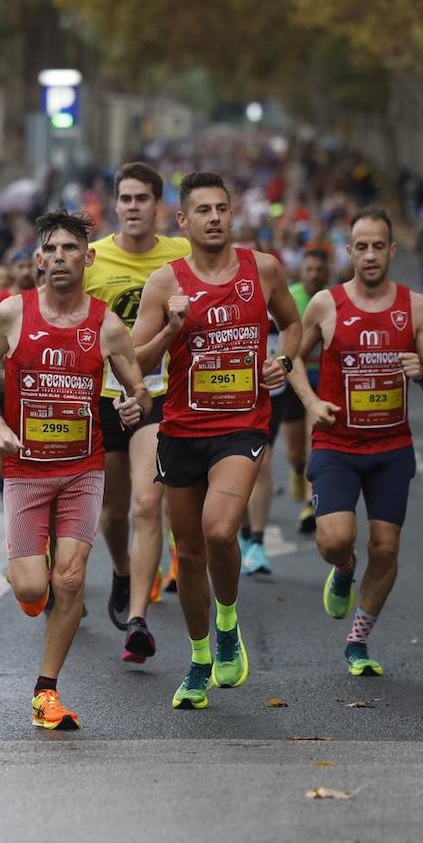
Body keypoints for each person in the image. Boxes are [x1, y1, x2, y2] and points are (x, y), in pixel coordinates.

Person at [0, 209, 150, 729]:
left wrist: (133, 404)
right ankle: (26, 575)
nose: (58, 258)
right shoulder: (13, 313)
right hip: (26, 471)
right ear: (37, 260)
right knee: (33, 589)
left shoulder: (108, 324)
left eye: (69, 249)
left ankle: (45, 692)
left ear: (88, 258)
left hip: (82, 469)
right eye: (49, 250)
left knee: (69, 579)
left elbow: (137, 384)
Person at [132, 171, 301, 708]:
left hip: (242, 425)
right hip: (182, 429)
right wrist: (172, 327)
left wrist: (284, 360)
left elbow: (293, 326)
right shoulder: (165, 282)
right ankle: (201, 657)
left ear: (233, 215)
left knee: (221, 528)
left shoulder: (264, 270)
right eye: (202, 210)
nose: (213, 218)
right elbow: (135, 361)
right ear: (182, 221)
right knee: (189, 551)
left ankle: (227, 622)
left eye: (221, 209)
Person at [288, 206, 423, 677]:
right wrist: (312, 403)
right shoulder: (326, 303)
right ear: (349, 251)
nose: (371, 254)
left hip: (392, 448)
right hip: (337, 443)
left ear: (392, 250)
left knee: (386, 548)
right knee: (336, 539)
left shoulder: (414, 305)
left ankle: (358, 639)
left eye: (379, 245)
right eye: (362, 246)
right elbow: (291, 359)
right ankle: (342, 568)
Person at [82, 162, 191, 663]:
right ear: (114, 205)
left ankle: (138, 621)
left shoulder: (181, 256)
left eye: (142, 199)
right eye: (124, 199)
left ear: (158, 206)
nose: (132, 208)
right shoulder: (92, 259)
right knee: (114, 511)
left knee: (150, 505)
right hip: (101, 399)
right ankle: (123, 571)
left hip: (158, 393)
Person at [279, 247, 331, 539]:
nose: (313, 275)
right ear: (302, 270)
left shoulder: (334, 300)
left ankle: (311, 506)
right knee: (295, 452)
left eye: (318, 270)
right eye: (308, 269)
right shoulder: (291, 296)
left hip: (323, 382)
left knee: (317, 444)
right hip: (292, 382)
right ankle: (298, 472)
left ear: (326, 271)